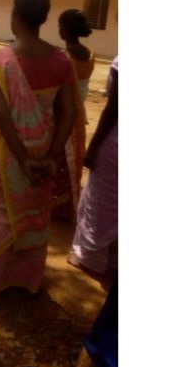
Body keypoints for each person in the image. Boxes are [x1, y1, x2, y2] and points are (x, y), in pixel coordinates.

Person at [0, 0, 78, 309]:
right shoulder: (62, 61)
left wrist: (24, 159)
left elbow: (3, 118)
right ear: (43, 18)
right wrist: (49, 156)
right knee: (36, 217)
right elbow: (68, 113)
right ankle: (29, 283)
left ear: (15, 16)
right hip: (45, 151)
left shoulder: (0, 61)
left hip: (6, 156)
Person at [69, 56, 118, 282]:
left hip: (116, 142)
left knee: (102, 200)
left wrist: (94, 146)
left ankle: (91, 258)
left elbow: (114, 108)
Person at [53, 9, 95, 219]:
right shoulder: (90, 54)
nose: (58, 30)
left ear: (66, 30)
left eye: (60, 26)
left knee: (59, 159)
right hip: (80, 114)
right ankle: (68, 205)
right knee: (73, 158)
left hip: (63, 114)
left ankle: (58, 207)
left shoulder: (64, 58)